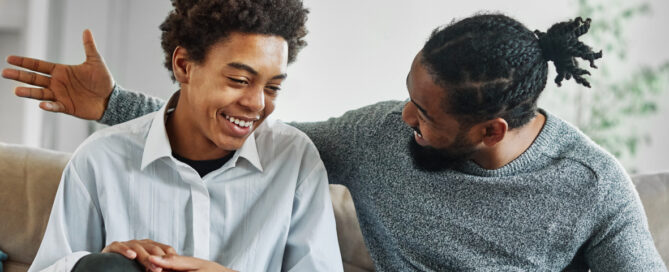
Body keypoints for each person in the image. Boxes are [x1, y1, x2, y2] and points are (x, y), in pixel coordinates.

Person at [4, 12, 667, 271]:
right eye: (408, 93)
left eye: (425, 115)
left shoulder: (590, 186)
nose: (401, 117)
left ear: (489, 130)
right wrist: (113, 105)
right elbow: (253, 134)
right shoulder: (377, 135)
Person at [7, 0, 344, 271]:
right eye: (239, 81)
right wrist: (95, 265)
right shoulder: (101, 158)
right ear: (184, 65)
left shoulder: (294, 158)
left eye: (272, 87)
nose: (257, 104)